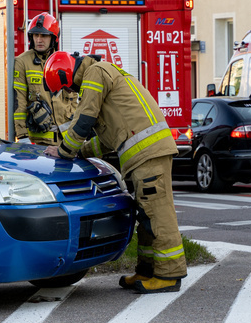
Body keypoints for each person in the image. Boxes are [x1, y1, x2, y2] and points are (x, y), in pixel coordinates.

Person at [43, 51, 187, 294]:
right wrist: (82, 152)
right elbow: (108, 140)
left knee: (158, 214)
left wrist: (65, 151)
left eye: (67, 88)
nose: (70, 94)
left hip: (149, 154)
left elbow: (85, 119)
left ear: (66, 75)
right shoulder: (102, 74)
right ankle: (147, 271)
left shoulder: (94, 73)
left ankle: (169, 274)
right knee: (147, 216)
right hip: (145, 154)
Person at [13, 13, 78, 145]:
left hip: (67, 141)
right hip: (39, 142)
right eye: (36, 35)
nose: (39, 40)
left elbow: (74, 99)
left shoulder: (64, 60)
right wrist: (22, 135)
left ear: (53, 38)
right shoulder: (22, 62)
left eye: (44, 35)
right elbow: (18, 101)